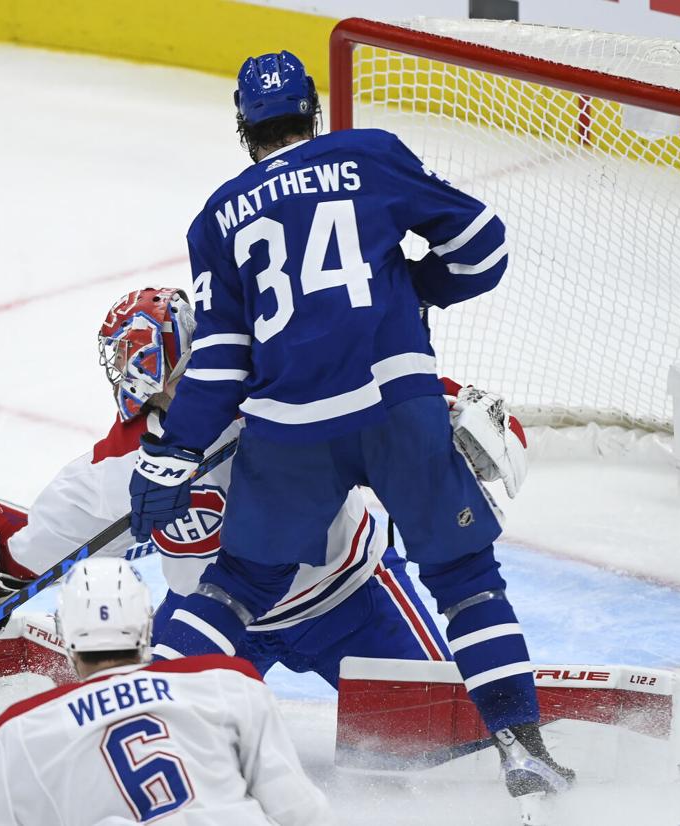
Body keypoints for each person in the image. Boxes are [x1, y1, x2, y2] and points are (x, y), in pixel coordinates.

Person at [127, 51, 573, 804]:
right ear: (315, 111)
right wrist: (413, 289)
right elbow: (485, 248)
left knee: (235, 587)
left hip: (288, 429)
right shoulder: (369, 155)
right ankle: (523, 751)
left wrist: (172, 454)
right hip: (396, 403)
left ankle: (140, 728)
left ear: (244, 127)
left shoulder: (217, 217)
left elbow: (221, 359)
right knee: (465, 581)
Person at [0, 286, 456, 696]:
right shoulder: (123, 462)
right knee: (154, 730)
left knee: (432, 732)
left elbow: (369, 390)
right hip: (214, 614)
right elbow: (57, 528)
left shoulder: (278, 395)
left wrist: (452, 405)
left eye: (149, 360)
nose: (140, 376)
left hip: (345, 596)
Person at [0, 557, 332, 826]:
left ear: (67, 636)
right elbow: (300, 810)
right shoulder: (230, 683)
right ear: (147, 627)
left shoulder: (21, 732)